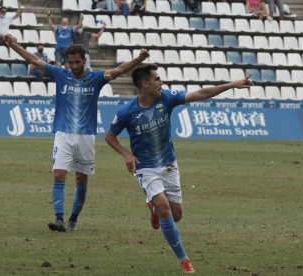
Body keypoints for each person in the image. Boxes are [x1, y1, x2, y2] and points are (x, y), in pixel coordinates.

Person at [104, 64, 253, 273]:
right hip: (145, 167)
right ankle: (184, 260)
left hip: (168, 163)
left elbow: (200, 94)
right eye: (157, 79)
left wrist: (233, 85)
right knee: (165, 208)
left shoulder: (166, 98)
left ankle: (154, 211)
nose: (161, 82)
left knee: (176, 215)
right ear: (145, 84)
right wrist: (126, 154)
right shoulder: (127, 112)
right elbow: (109, 136)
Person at [2, 33, 150, 232]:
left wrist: (139, 59)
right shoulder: (60, 74)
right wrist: (14, 46)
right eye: (71, 62)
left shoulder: (96, 78)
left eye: (77, 62)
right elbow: (34, 60)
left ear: (84, 60)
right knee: (59, 175)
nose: (74, 66)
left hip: (86, 135)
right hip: (63, 133)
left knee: (81, 179)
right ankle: (59, 219)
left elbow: (119, 70)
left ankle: (73, 219)